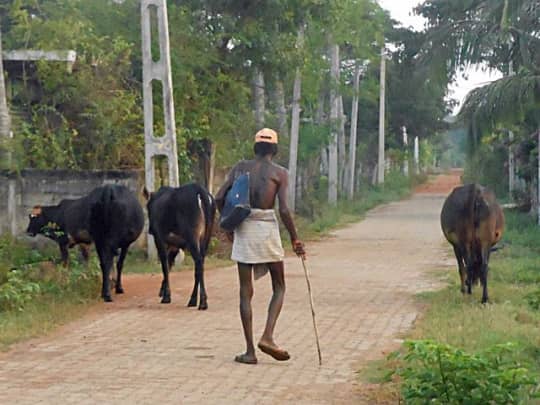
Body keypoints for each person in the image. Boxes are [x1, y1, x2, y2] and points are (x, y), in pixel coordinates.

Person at [215, 128, 306, 365]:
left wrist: (228, 225)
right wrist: (295, 239)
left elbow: (218, 197)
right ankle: (267, 336)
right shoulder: (280, 173)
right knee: (279, 287)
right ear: (274, 150)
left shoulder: (240, 168)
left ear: (255, 148)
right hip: (266, 228)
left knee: (245, 292)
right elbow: (284, 209)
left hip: (244, 227)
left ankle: (249, 352)